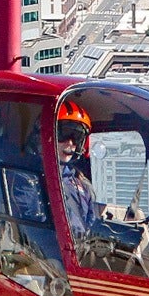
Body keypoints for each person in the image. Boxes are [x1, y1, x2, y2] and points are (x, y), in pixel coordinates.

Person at [57, 100, 99, 239]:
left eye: (76, 137)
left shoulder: (82, 185)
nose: (70, 143)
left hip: (79, 254)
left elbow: (92, 227)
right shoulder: (30, 180)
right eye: (64, 134)